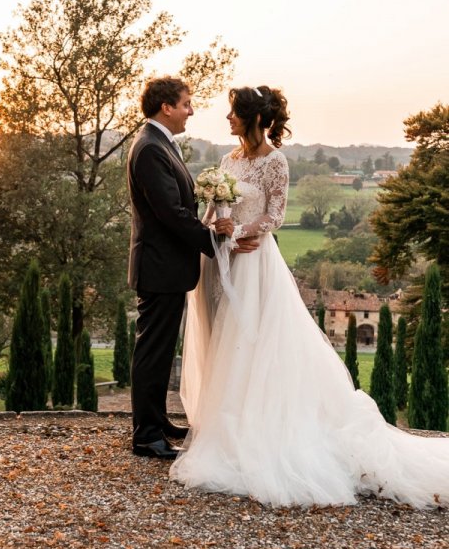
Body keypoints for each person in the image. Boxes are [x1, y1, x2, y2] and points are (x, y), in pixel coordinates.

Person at [170, 85, 449, 508]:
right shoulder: (227, 161)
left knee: (253, 344)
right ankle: (224, 426)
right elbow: (211, 214)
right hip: (220, 262)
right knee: (223, 343)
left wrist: (241, 232)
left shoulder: (275, 162)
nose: (227, 119)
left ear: (255, 118)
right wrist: (213, 230)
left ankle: (258, 433)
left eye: (234, 113)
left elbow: (276, 215)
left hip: (254, 264)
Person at [127, 76, 258, 459]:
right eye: (186, 103)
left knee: (160, 349)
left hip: (166, 266)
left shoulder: (159, 144)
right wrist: (214, 241)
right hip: (159, 266)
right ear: (166, 107)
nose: (191, 110)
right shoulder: (150, 148)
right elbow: (171, 213)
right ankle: (146, 436)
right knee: (152, 351)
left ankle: (157, 422)